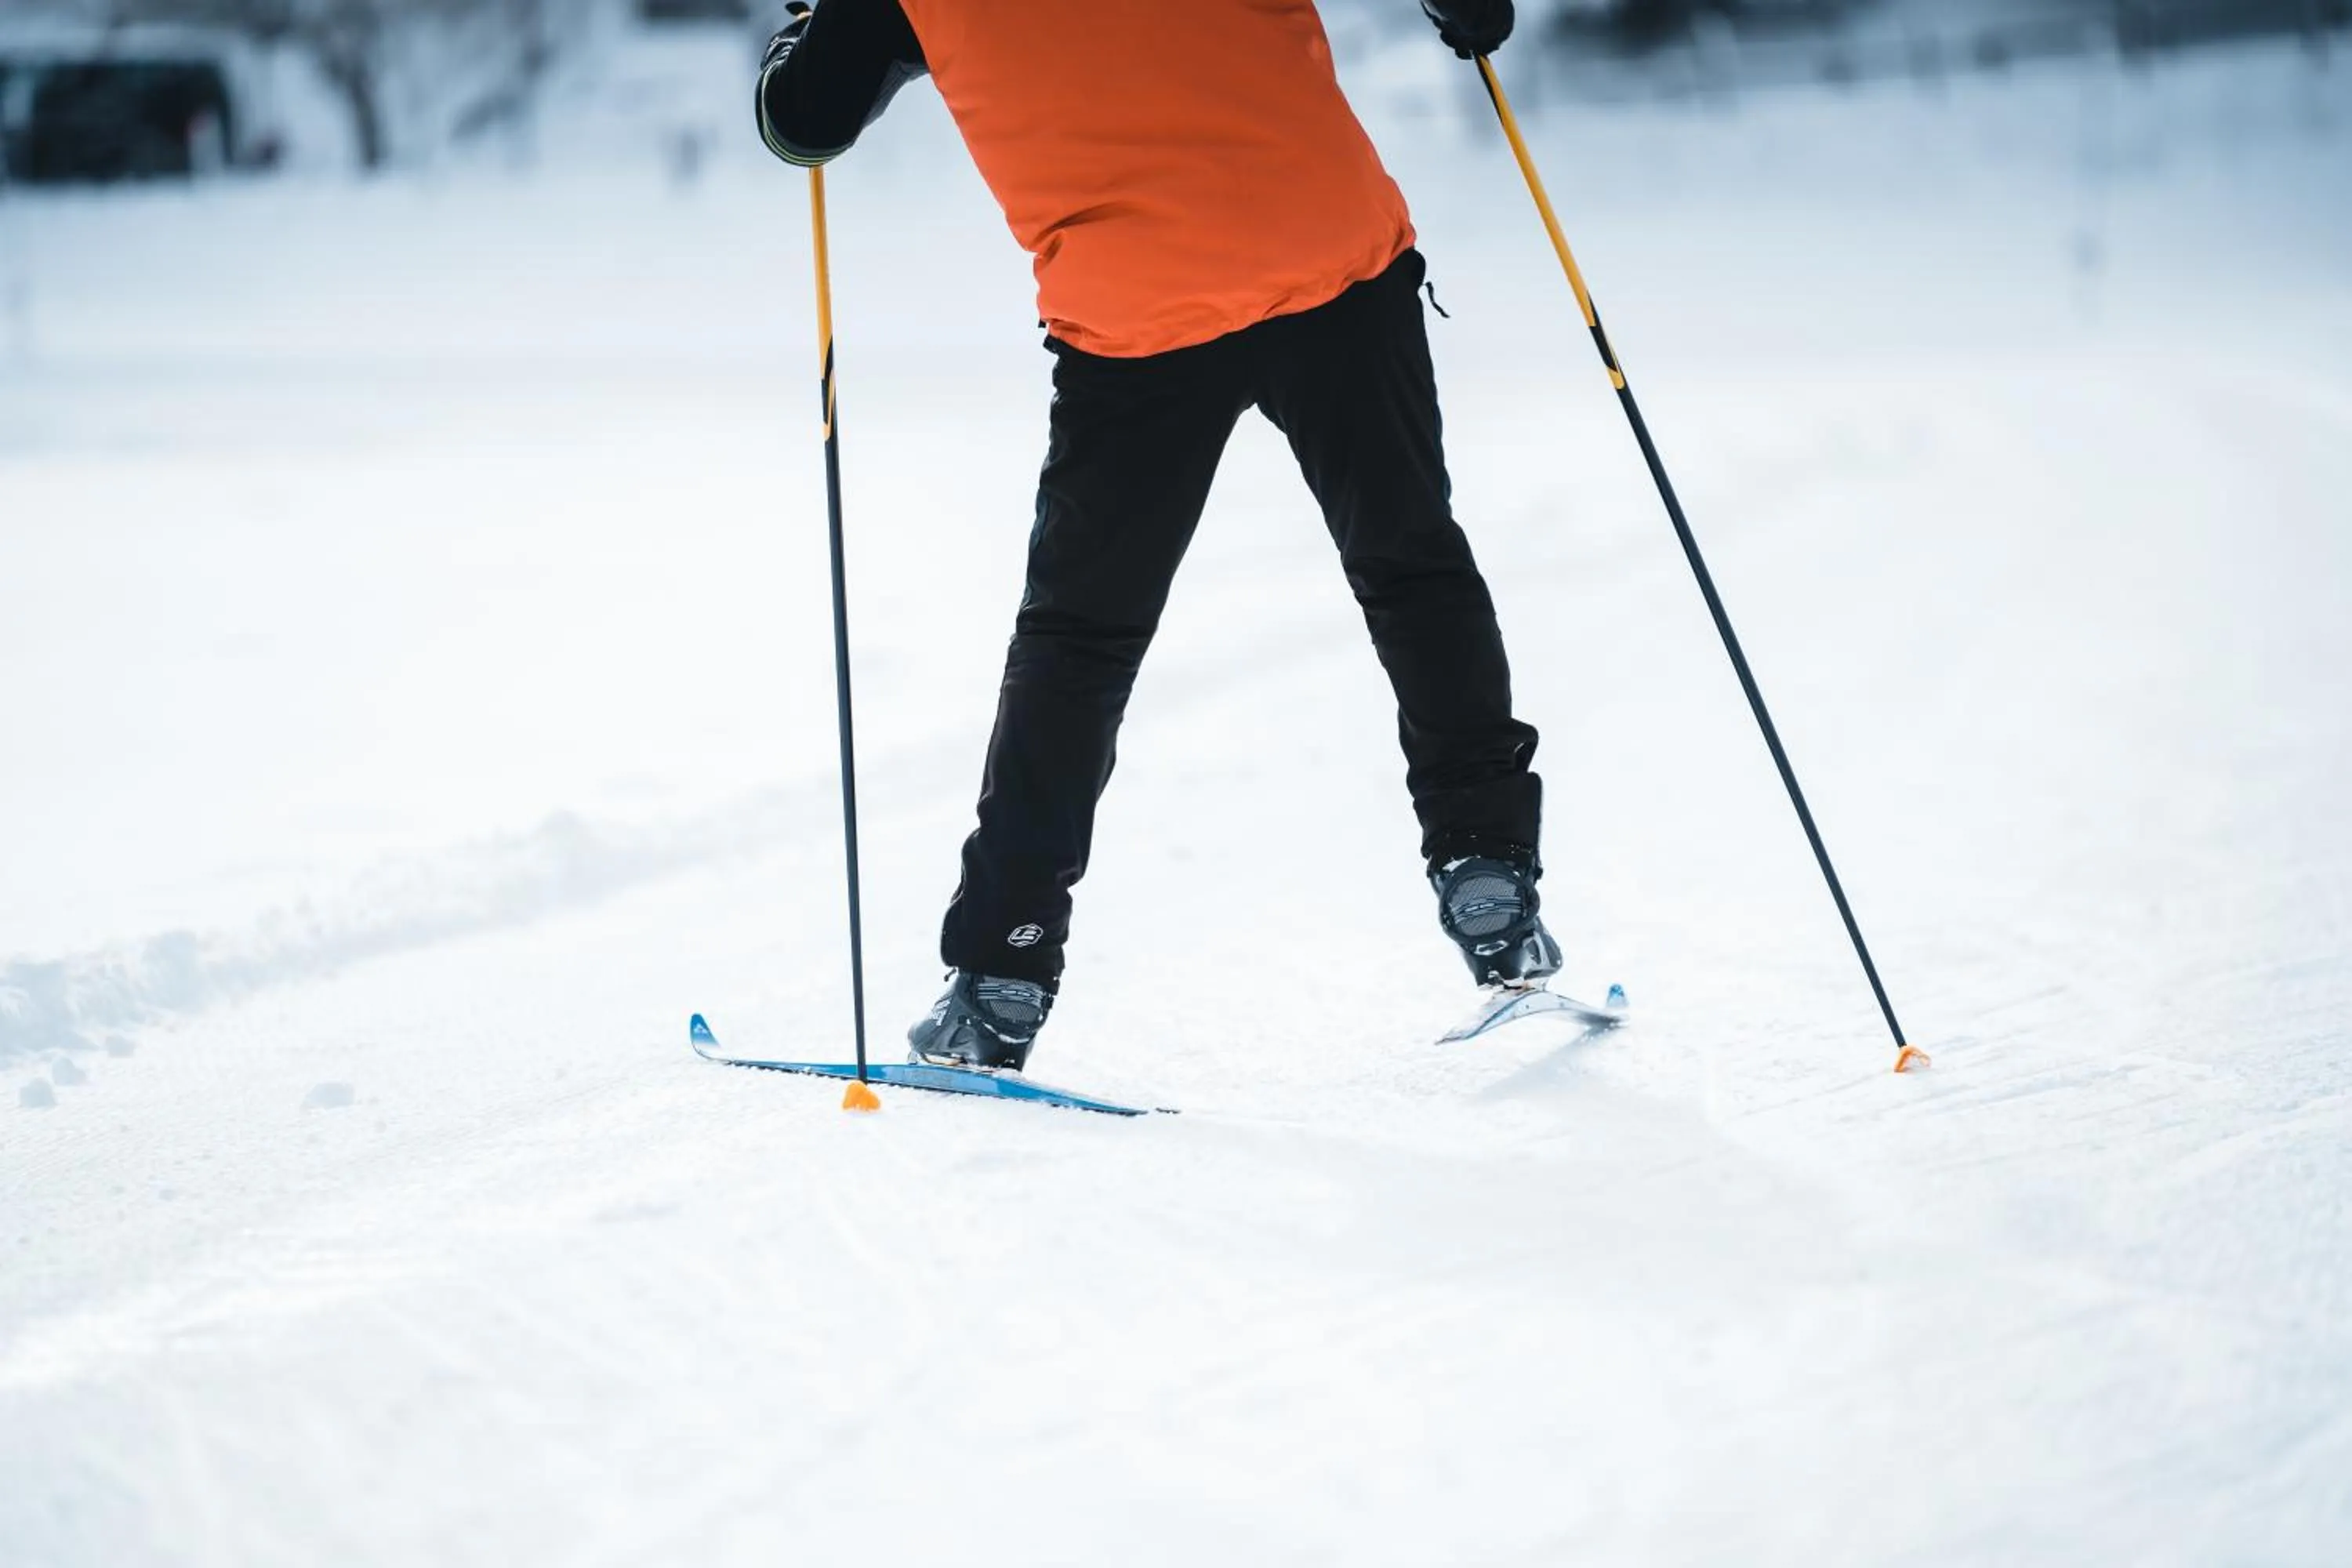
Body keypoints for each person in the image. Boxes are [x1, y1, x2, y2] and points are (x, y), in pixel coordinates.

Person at [758, 0, 1556, 1073]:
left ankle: (1001, 970)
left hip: (1137, 317)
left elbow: (805, 122)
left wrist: (804, 32)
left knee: (1079, 643)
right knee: (1411, 564)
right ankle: (1488, 877)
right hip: (1326, 257)